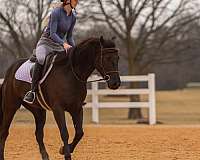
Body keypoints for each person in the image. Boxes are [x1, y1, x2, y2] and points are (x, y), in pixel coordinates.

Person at [23, 0, 78, 104]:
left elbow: (70, 36)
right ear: (67, 2)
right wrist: (64, 44)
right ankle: (32, 91)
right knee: (41, 58)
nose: (76, 2)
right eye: (74, 0)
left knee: (70, 60)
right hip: (46, 43)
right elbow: (53, 34)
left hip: (59, 46)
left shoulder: (73, 17)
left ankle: (73, 94)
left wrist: (75, 50)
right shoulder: (56, 13)